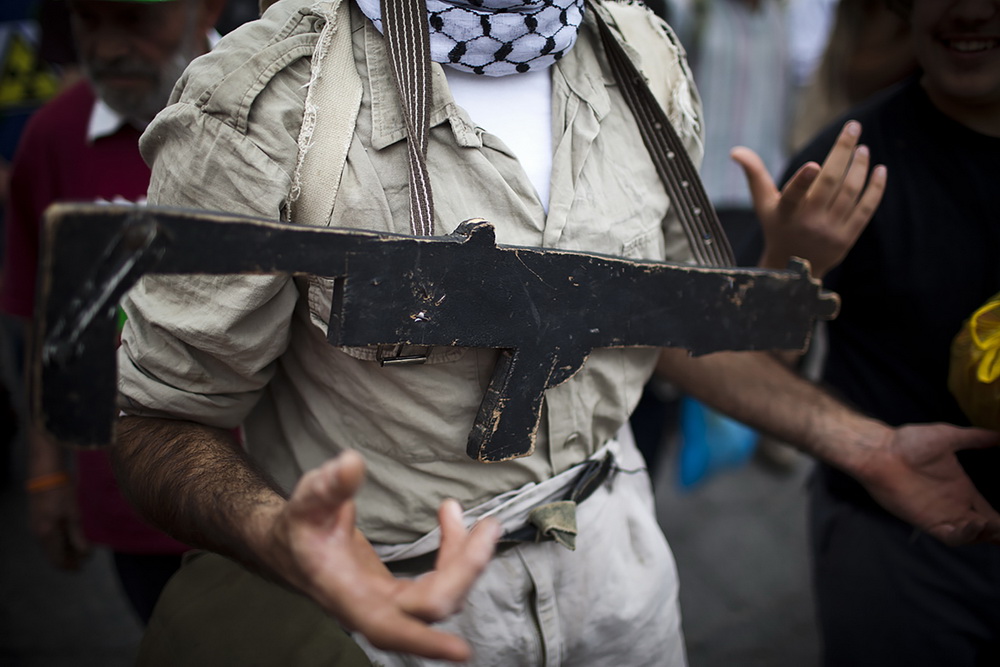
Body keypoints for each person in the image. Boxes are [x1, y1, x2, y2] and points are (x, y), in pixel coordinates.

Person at [109, 0, 998, 664]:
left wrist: (865, 442)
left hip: (618, 569)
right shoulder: (275, 93)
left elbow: (663, 329)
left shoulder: (639, 51)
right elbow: (156, 422)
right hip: (389, 602)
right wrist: (282, 538)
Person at [734, 0, 1000, 663]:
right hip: (900, 551)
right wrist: (793, 265)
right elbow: (751, 364)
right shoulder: (848, 165)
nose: (967, 11)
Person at [0, 0, 224, 623]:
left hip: (285, 486)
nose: (105, 48)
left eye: (135, 19)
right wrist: (47, 474)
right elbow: (47, 316)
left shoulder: (291, 116)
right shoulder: (53, 137)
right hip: (132, 502)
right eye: (88, 21)